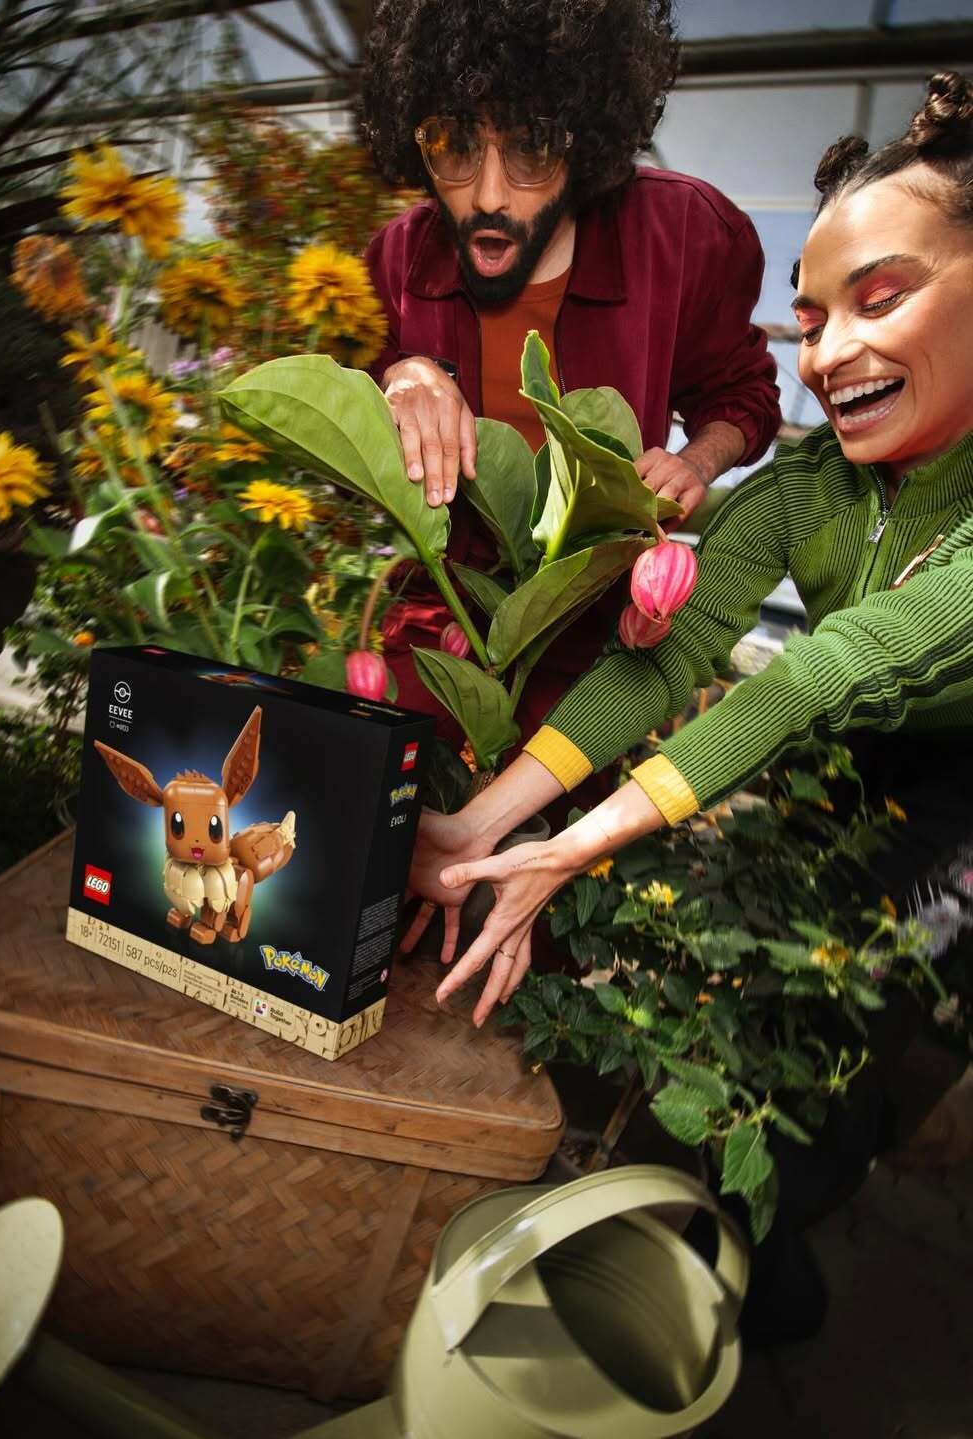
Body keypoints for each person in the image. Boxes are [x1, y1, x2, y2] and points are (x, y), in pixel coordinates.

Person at [404, 71, 973, 1022]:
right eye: (811, 323)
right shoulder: (810, 485)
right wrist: (476, 826)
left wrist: (571, 848)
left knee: (865, 1005)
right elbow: (674, 648)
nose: (828, 357)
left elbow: (829, 669)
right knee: (772, 965)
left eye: (880, 301)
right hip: (856, 750)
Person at [358, 0, 781, 740]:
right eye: (455, 146)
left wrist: (696, 462)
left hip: (592, 648)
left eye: (533, 147)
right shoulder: (396, 260)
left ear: (585, 140)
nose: (489, 195)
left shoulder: (680, 238)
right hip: (442, 620)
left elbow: (743, 393)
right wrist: (400, 375)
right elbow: (354, 403)